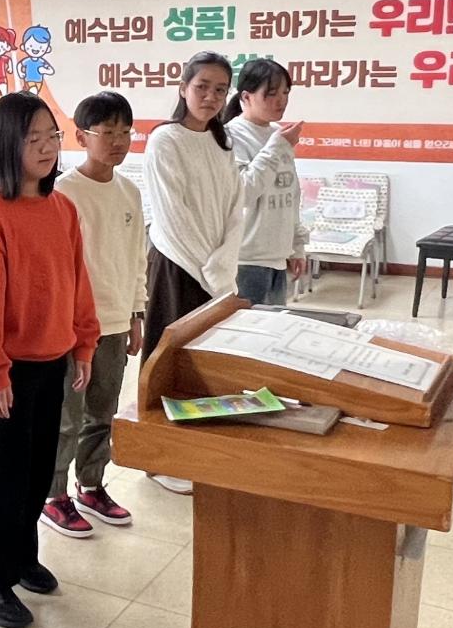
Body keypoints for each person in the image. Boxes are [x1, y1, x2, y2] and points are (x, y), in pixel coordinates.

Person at [0, 92, 100, 628]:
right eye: (32, 138)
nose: (45, 148)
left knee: (39, 470)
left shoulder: (62, 208)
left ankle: (21, 559)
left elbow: (78, 283)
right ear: (5, 144)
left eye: (51, 137)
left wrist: (84, 344)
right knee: (3, 478)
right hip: (8, 369)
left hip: (53, 360)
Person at [41, 91, 145, 538]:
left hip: (116, 320)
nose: (118, 141)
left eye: (125, 132)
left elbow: (137, 257)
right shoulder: (63, 192)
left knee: (102, 412)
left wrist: (137, 312)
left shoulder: (129, 191)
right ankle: (54, 495)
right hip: (73, 327)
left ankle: (91, 484)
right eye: (108, 132)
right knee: (67, 416)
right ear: (82, 137)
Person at [141, 51, 243, 495]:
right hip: (178, 265)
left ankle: (195, 452)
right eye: (202, 86)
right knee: (168, 364)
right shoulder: (165, 140)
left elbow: (236, 210)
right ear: (183, 88)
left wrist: (223, 266)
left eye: (220, 90)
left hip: (215, 272)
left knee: (204, 367)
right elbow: (173, 216)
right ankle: (159, 458)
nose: (210, 97)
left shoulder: (224, 143)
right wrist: (210, 271)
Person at [224, 58, 309, 306]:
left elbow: (291, 193)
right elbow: (244, 192)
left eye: (285, 92)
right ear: (246, 96)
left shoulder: (277, 134)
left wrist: (296, 247)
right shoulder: (231, 135)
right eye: (271, 93)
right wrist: (277, 146)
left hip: (278, 258)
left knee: (273, 326)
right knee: (245, 328)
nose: (281, 100)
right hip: (246, 259)